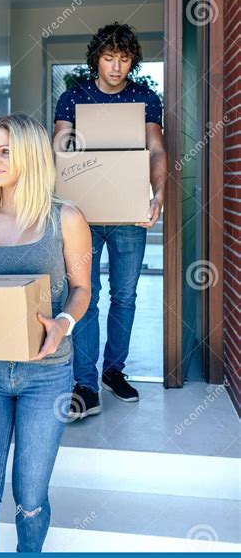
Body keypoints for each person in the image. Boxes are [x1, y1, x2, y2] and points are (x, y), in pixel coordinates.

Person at [0, 113, 91, 552]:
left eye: (5, 151)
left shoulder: (66, 219)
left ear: (31, 156)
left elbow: (81, 289)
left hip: (47, 374)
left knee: (29, 498)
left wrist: (63, 323)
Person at [53, 22, 167, 418]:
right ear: (96, 59)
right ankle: (85, 383)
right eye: (108, 57)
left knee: (126, 295)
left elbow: (155, 150)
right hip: (82, 215)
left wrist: (159, 196)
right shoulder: (74, 97)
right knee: (86, 293)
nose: (116, 66)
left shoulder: (145, 98)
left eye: (123, 58)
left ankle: (113, 371)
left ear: (132, 61)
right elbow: (60, 148)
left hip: (127, 214)